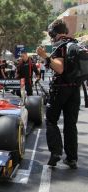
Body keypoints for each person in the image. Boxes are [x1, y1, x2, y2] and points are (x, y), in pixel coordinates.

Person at [36, 19, 81, 169]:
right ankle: (72, 158)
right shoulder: (75, 44)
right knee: (70, 124)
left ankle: (55, 152)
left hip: (60, 89)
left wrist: (45, 56)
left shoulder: (60, 45)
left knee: (51, 120)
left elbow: (60, 68)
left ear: (53, 33)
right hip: (75, 90)